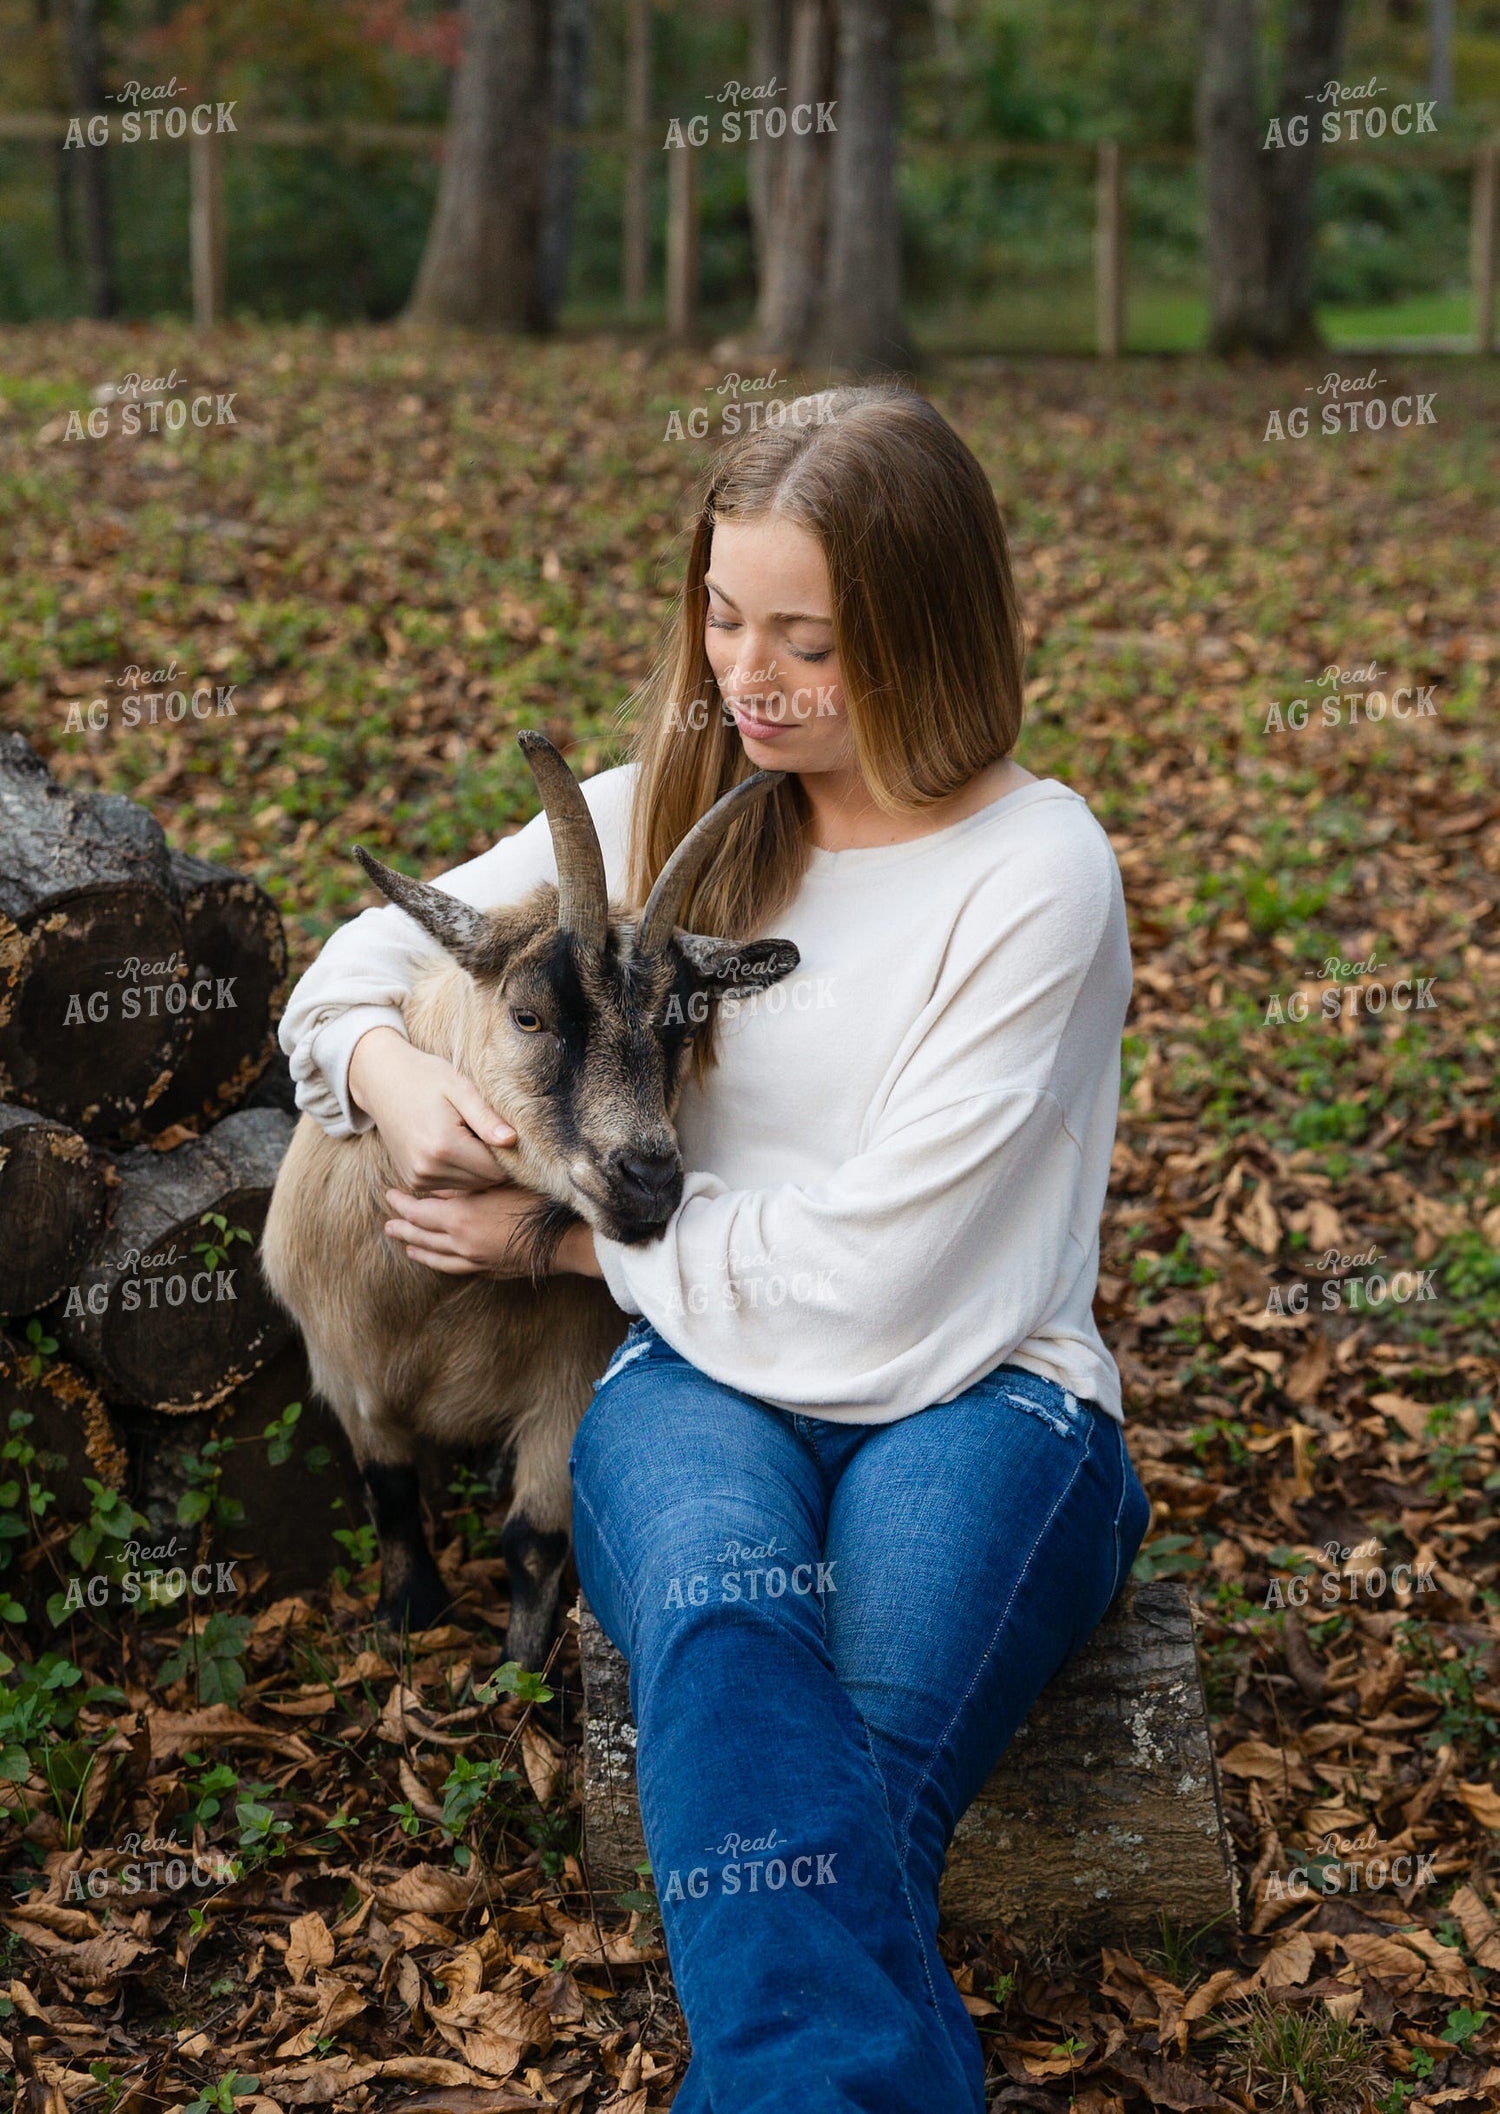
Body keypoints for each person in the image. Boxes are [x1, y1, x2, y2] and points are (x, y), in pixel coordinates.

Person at [280, 384, 1149, 2114]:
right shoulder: (680, 804)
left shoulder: (1036, 873)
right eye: (725, 616)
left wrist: (549, 1236)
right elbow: (345, 969)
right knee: (738, 1654)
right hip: (702, 1384)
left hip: (979, 1396)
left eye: (808, 638)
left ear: (930, 630)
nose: (750, 673)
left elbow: (884, 1280)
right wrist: (387, 1073)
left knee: (855, 1761)